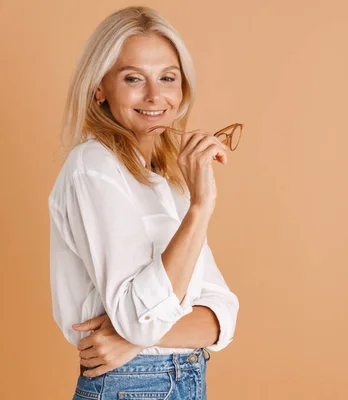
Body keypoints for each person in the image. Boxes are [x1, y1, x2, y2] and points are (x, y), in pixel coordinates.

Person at [48, 6, 240, 399]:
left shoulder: (167, 177)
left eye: (168, 78)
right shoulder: (95, 167)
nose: (155, 96)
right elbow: (142, 319)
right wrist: (201, 207)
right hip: (132, 385)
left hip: (180, 378)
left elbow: (222, 315)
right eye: (133, 78)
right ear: (99, 87)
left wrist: (131, 337)